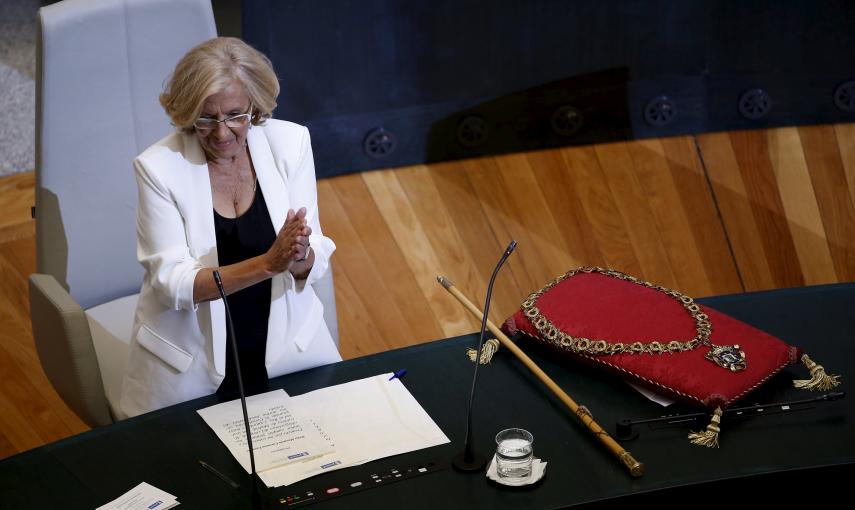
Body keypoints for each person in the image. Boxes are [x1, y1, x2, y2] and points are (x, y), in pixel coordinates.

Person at [119, 37, 340, 418]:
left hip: (286, 350)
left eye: (235, 115)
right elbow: (174, 285)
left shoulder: (290, 143)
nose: (222, 133)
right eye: (205, 119)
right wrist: (269, 264)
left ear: (254, 106)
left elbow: (314, 256)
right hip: (191, 369)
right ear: (188, 114)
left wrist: (300, 255)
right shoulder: (158, 167)